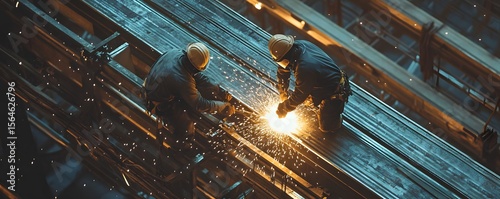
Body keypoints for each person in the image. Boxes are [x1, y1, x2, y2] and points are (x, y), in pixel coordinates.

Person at [142, 42, 235, 150]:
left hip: (154, 87)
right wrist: (222, 106)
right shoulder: (182, 80)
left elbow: (196, 77)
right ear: (195, 67)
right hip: (157, 102)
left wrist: (218, 90)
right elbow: (199, 104)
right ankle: (180, 150)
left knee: (193, 94)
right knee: (187, 128)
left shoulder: (176, 53)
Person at [268, 34, 351, 133]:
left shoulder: (304, 68)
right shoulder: (299, 45)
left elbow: (300, 95)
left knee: (327, 127)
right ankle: (319, 103)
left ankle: (336, 114)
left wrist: (284, 108)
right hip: (320, 78)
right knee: (303, 102)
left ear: (286, 57)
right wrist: (283, 95)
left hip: (335, 90)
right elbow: (283, 72)